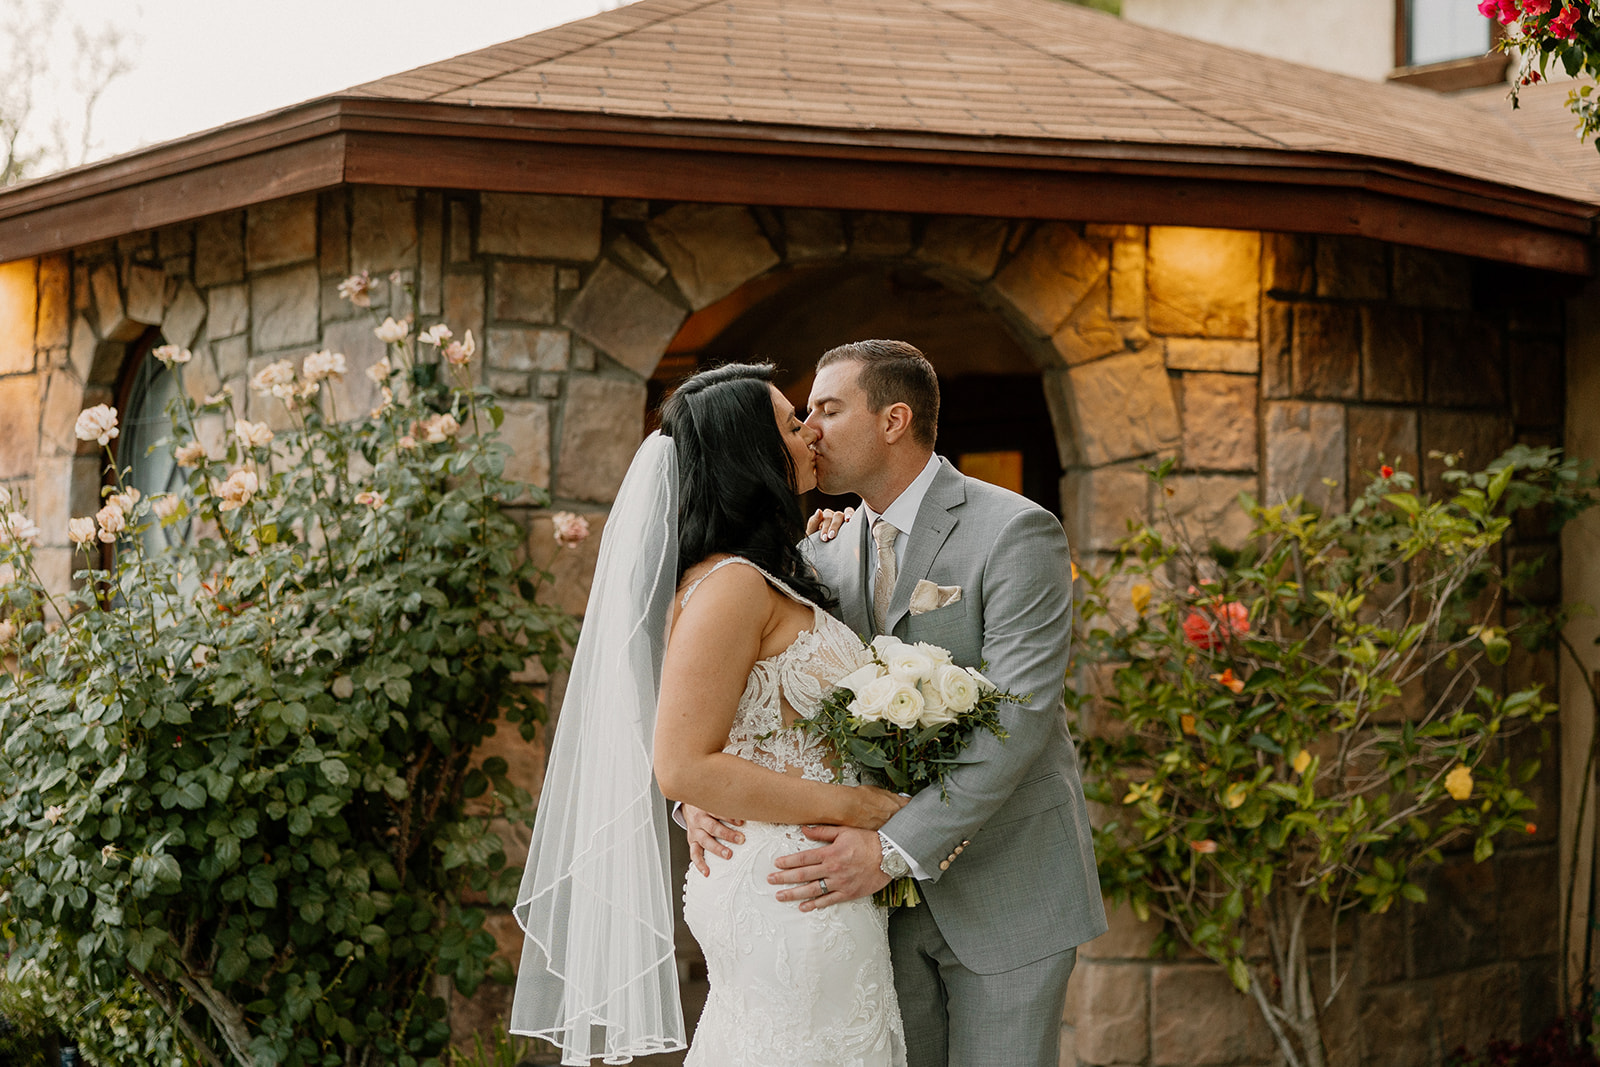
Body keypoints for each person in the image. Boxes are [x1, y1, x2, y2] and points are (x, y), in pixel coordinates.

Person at [685, 340, 1107, 1067]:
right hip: (873, 913)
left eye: (828, 407)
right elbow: (740, 692)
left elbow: (1019, 716)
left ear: (893, 419)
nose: (810, 427)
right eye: (803, 414)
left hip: (1004, 887)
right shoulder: (816, 553)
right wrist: (697, 792)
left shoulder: (1014, 530)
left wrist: (890, 847)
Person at [510, 362, 907, 1066]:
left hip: (808, 877)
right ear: (750, 451)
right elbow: (682, 762)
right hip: (788, 890)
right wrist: (858, 804)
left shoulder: (765, 572)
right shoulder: (732, 587)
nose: (811, 431)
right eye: (792, 423)